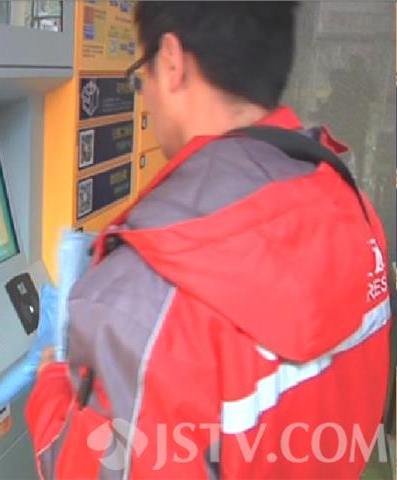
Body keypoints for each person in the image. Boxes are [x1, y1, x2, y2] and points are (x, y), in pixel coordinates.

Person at [25, 2, 392, 478]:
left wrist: (52, 386)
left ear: (172, 61)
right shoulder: (352, 208)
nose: (146, 97)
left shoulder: (141, 299)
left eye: (141, 77)